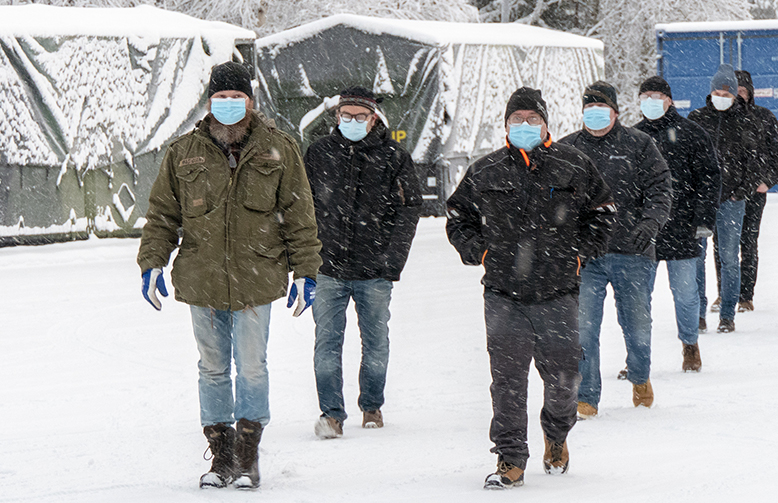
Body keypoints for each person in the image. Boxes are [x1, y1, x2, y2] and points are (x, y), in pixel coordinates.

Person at [137, 62, 322, 490]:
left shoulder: (278, 149)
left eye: (236, 98)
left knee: (252, 368)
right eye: (220, 98)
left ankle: (247, 456)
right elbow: (163, 215)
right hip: (201, 278)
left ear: (251, 102)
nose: (227, 105)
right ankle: (221, 456)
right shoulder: (183, 152)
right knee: (213, 368)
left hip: (258, 276)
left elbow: (299, 214)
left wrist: (306, 271)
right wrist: (152, 261)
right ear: (208, 102)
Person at [445, 87, 615, 490]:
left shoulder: (573, 164)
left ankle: (556, 434)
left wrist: (578, 254)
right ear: (505, 126)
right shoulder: (485, 171)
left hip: (558, 292)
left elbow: (603, 214)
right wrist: (481, 253)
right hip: (504, 294)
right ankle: (510, 457)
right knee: (507, 380)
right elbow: (457, 217)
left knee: (564, 379)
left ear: (545, 124)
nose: (525, 126)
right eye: (517, 120)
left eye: (532, 119)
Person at [304, 87, 422, 438]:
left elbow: (409, 209)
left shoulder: (393, 157)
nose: (352, 122)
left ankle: (372, 405)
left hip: (375, 271)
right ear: (336, 117)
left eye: (359, 117)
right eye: (346, 116)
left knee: (376, 343)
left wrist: (392, 260)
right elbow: (301, 206)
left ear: (373, 118)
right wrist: (306, 258)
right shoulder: (318, 154)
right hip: (327, 269)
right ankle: (331, 414)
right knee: (326, 343)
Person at [558, 81, 671, 417]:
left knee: (636, 327)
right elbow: (554, 199)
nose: (594, 115)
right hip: (585, 256)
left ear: (616, 112)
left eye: (601, 108)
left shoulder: (640, 145)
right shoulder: (568, 149)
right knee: (583, 329)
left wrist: (651, 223)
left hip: (632, 253)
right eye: (588, 109)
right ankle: (587, 395)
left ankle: (639, 376)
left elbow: (661, 188)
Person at [634, 76, 720, 372]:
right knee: (637, 298)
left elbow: (709, 178)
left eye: (657, 96)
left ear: (669, 100)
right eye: (646, 96)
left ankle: (690, 345)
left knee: (685, 294)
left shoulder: (691, 133)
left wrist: (704, 219)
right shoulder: (632, 136)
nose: (651, 101)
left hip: (683, 227)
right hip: (643, 231)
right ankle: (637, 355)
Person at [687, 64, 770, 333]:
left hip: (733, 201)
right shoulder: (696, 119)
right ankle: (698, 312)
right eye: (717, 91)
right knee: (696, 258)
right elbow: (685, 159)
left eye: (726, 92)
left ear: (735, 95)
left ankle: (727, 314)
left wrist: (741, 192)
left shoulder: (746, 122)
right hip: (701, 201)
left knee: (730, 257)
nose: (721, 95)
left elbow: (755, 162)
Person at [731, 70, 778, 313]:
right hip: (727, 193)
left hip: (754, 191)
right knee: (723, 245)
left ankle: (745, 295)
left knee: (748, 241)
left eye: (742, 91)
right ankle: (725, 293)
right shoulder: (719, 119)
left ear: (750, 93)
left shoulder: (764, 117)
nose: (738, 96)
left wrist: (768, 181)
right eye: (734, 91)